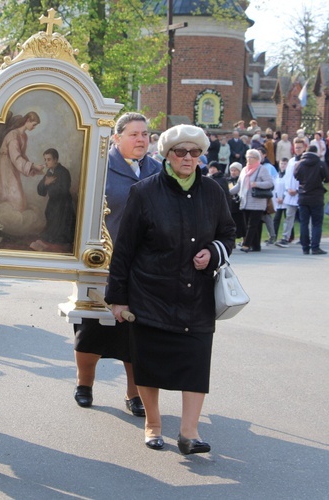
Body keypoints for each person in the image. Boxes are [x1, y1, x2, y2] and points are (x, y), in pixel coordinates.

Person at [105, 124, 236, 456]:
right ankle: (153, 424)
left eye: (195, 152)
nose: (188, 158)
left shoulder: (213, 191)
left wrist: (215, 252)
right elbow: (124, 249)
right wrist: (117, 297)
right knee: (150, 363)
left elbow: (229, 233)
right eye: (181, 152)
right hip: (151, 293)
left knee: (195, 364)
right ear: (166, 155)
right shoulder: (145, 192)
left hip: (197, 296)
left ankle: (189, 432)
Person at [72, 112, 161, 418]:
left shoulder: (157, 169)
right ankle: (85, 385)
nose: (141, 139)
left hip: (144, 267)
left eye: (145, 134)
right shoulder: (99, 167)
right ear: (117, 138)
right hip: (101, 263)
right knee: (92, 330)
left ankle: (134, 393)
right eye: (134, 134)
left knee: (138, 333)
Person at [0, 111, 44, 211]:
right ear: (28, 120)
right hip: (5, 167)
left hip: (14, 167)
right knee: (15, 200)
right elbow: (15, 157)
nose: (34, 128)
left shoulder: (24, 136)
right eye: (34, 125)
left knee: (19, 202)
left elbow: (22, 156)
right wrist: (33, 166)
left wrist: (34, 169)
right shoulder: (13, 135)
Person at [30, 148, 75, 252]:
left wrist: (50, 184)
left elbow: (64, 190)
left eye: (48, 159)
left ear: (55, 160)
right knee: (50, 222)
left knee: (59, 232)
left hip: (64, 205)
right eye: (45, 159)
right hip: (53, 204)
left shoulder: (63, 172)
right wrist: (46, 183)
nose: (46, 162)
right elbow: (40, 191)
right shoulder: (49, 173)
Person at [229, 149, 273, 252]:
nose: (248, 159)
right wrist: (227, 192)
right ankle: (256, 246)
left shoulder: (262, 169)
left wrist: (257, 184)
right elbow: (239, 185)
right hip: (245, 201)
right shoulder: (244, 170)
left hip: (257, 202)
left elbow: (270, 183)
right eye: (247, 157)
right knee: (253, 225)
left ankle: (246, 245)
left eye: (251, 157)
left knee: (252, 224)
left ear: (257, 159)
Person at [294, 145, 329, 254]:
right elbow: (327, 178)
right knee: (316, 223)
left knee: (304, 223)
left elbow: (296, 176)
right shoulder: (320, 164)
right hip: (316, 196)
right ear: (316, 152)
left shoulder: (299, 164)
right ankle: (315, 247)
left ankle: (305, 247)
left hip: (303, 196)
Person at [226, 162, 246, 239]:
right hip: (231, 206)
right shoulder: (228, 180)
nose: (233, 172)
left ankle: (244, 238)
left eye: (235, 170)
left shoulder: (242, 180)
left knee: (242, 223)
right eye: (232, 170)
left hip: (240, 205)